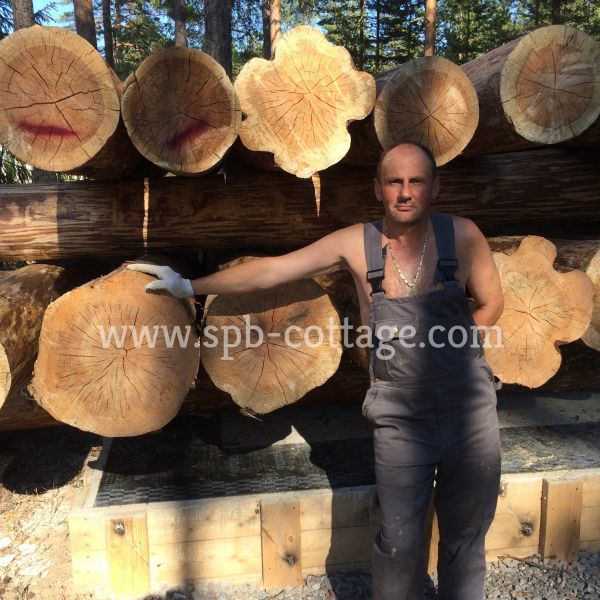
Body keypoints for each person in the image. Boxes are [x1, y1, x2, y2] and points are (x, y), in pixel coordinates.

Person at [129, 142, 504, 600]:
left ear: (435, 187)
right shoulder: (356, 244)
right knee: (398, 539)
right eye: (395, 182)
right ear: (378, 189)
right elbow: (273, 271)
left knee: (466, 534)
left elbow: (492, 303)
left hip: (469, 410)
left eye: (417, 181)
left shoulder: (462, 235)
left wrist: (447, 346)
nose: (405, 192)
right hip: (399, 414)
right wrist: (189, 285)